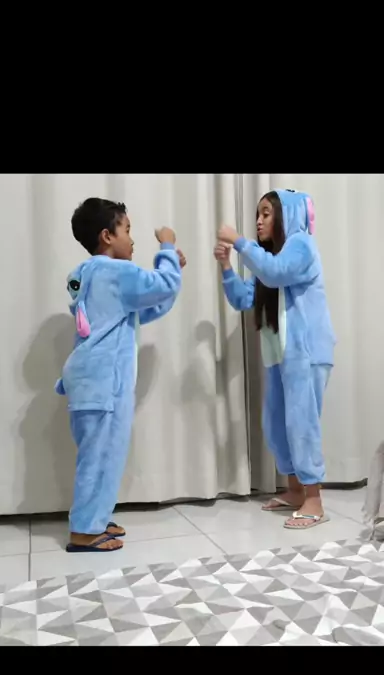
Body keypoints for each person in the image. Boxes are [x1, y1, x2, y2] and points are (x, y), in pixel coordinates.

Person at [55, 197, 185, 552]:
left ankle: (95, 518)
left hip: (89, 382)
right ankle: (84, 531)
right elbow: (162, 286)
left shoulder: (88, 274)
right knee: (100, 458)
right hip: (104, 384)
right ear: (107, 236)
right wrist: (167, 246)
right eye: (127, 229)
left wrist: (171, 269)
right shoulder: (114, 272)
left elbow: (146, 307)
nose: (132, 238)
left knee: (101, 455)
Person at [215, 189, 336, 530]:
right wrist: (226, 266)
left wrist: (239, 242)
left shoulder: (301, 245)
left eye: (266, 213)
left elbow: (277, 272)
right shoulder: (270, 258)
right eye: (258, 214)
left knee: (302, 423)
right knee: (278, 423)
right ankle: (296, 490)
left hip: (307, 351)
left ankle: (314, 500)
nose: (258, 221)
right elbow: (243, 299)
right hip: (283, 354)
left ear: (287, 215)